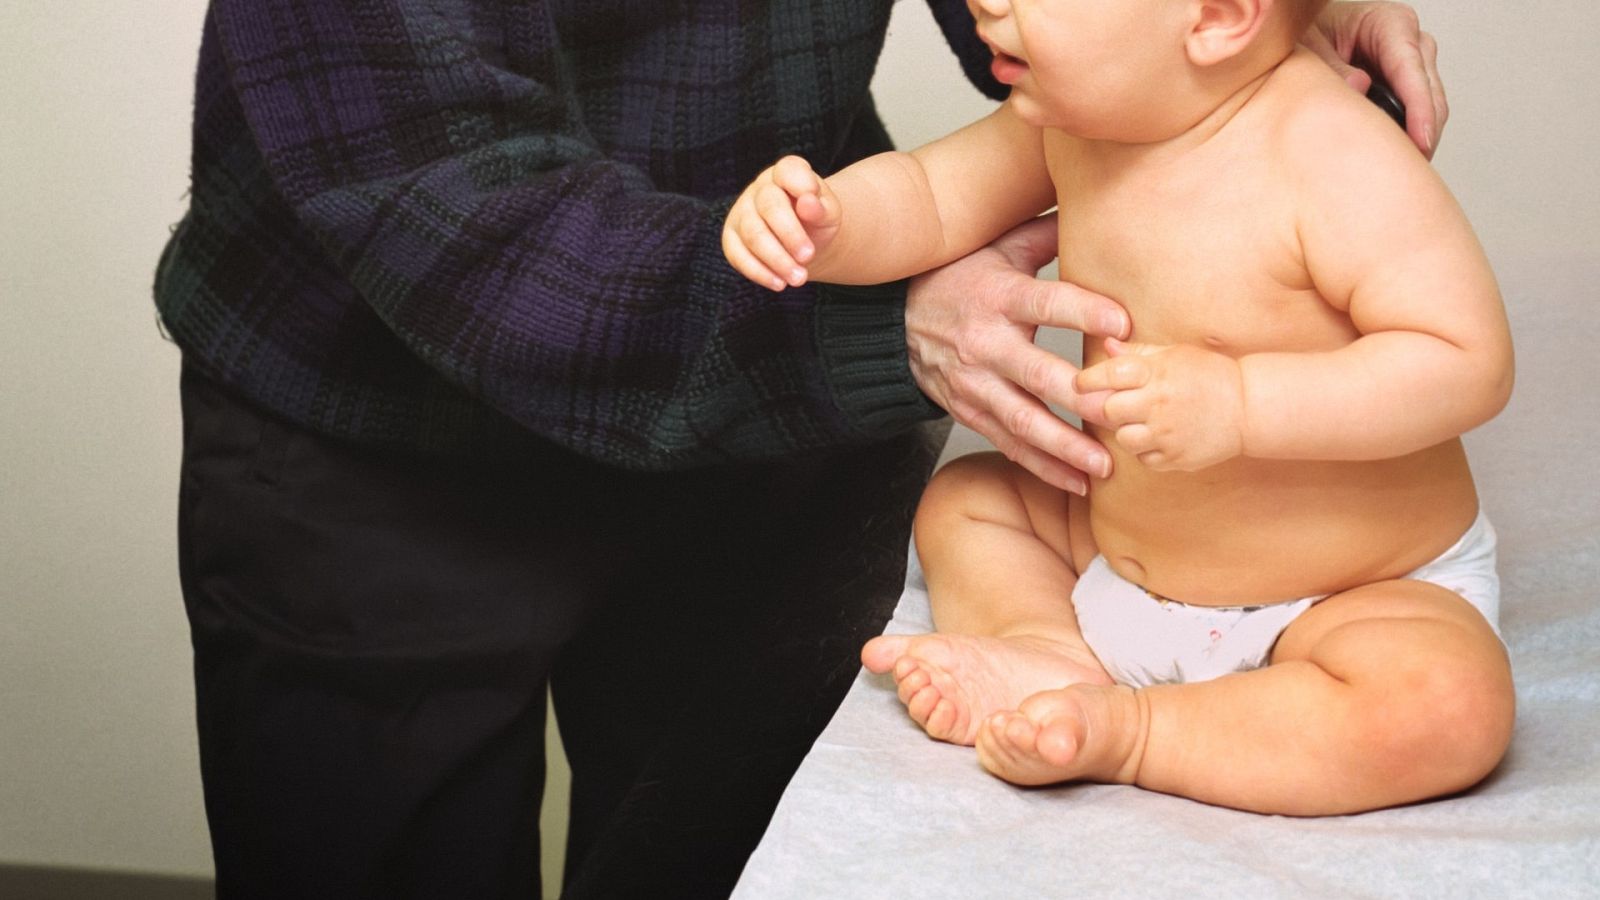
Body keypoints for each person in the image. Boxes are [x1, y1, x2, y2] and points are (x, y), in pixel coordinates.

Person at [154, 1, 1451, 897]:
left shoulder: (1287, 120)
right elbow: (448, 204)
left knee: (721, 861)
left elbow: (1452, 353)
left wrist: (1247, 33)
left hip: (769, 438)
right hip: (382, 417)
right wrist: (866, 300)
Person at [723, 0, 1510, 816]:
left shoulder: (1333, 154)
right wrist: (827, 225)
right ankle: (1051, 652)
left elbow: (1466, 361)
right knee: (969, 501)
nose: (984, 2)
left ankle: (1139, 733)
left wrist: (1243, 404)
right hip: (1119, 555)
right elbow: (928, 197)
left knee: (1444, 705)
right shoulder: (1070, 121)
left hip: (1349, 590)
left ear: (1217, 16)